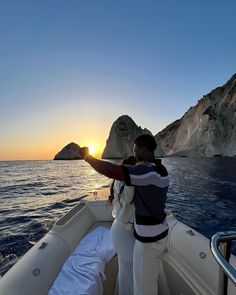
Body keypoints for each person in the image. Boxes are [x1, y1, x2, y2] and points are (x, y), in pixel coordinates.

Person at [80, 134, 169, 295]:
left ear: (143, 149)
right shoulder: (162, 170)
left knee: (143, 289)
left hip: (148, 241)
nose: (134, 154)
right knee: (152, 278)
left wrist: (88, 157)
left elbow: (110, 170)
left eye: (136, 150)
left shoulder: (145, 172)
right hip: (162, 235)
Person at [108, 156, 137, 295]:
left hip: (120, 229)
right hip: (122, 232)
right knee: (129, 270)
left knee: (126, 269)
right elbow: (130, 198)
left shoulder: (117, 181)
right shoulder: (129, 183)